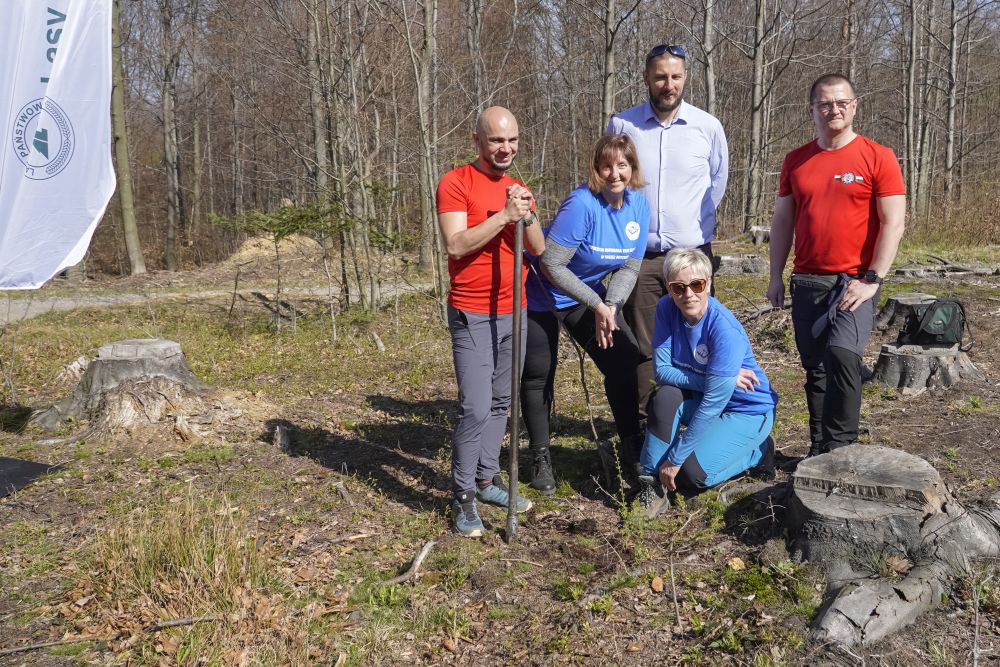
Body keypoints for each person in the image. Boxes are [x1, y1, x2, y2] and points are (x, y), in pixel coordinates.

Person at [767, 73, 906, 457]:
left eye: (842, 102)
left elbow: (894, 222)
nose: (834, 110)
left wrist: (873, 278)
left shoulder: (878, 156)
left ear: (854, 106)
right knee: (816, 369)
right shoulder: (796, 160)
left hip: (854, 282)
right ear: (811, 109)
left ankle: (841, 448)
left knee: (844, 356)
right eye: (825, 104)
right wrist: (775, 276)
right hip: (807, 280)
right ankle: (819, 449)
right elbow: (783, 222)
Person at [436, 106, 546, 537]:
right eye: (497, 140)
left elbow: (537, 247)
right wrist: (502, 217)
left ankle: (485, 480)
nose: (506, 148)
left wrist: (526, 213)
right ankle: (463, 495)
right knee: (476, 406)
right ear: (478, 140)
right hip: (472, 311)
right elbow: (456, 244)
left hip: (514, 309)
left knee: (502, 401)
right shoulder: (456, 182)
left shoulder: (520, 190)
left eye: (512, 140)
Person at [521, 135, 650, 495]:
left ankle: (631, 443)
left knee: (624, 358)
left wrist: (611, 306)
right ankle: (540, 456)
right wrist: (596, 304)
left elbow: (629, 266)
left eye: (622, 165)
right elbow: (550, 263)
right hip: (539, 291)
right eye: (606, 166)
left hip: (584, 295)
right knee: (538, 373)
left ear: (632, 168)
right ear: (596, 169)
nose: (614, 173)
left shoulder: (639, 207)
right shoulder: (582, 204)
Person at [607, 43, 729, 422]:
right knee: (644, 347)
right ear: (647, 77)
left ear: (685, 78)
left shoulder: (707, 127)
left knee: (699, 340)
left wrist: (688, 225)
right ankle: (650, 427)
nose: (668, 84)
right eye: (660, 76)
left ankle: (698, 421)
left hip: (692, 257)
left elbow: (717, 184)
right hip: (639, 259)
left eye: (675, 76)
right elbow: (611, 184)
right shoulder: (623, 126)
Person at [638, 248, 777, 517]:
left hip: (746, 409)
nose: (688, 294)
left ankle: (759, 451)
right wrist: (717, 381)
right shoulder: (666, 308)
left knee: (689, 475)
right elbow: (662, 372)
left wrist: (675, 459)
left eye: (697, 285)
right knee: (666, 396)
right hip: (706, 397)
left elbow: (712, 405)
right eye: (678, 287)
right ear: (669, 288)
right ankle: (651, 483)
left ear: (709, 284)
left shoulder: (724, 329)